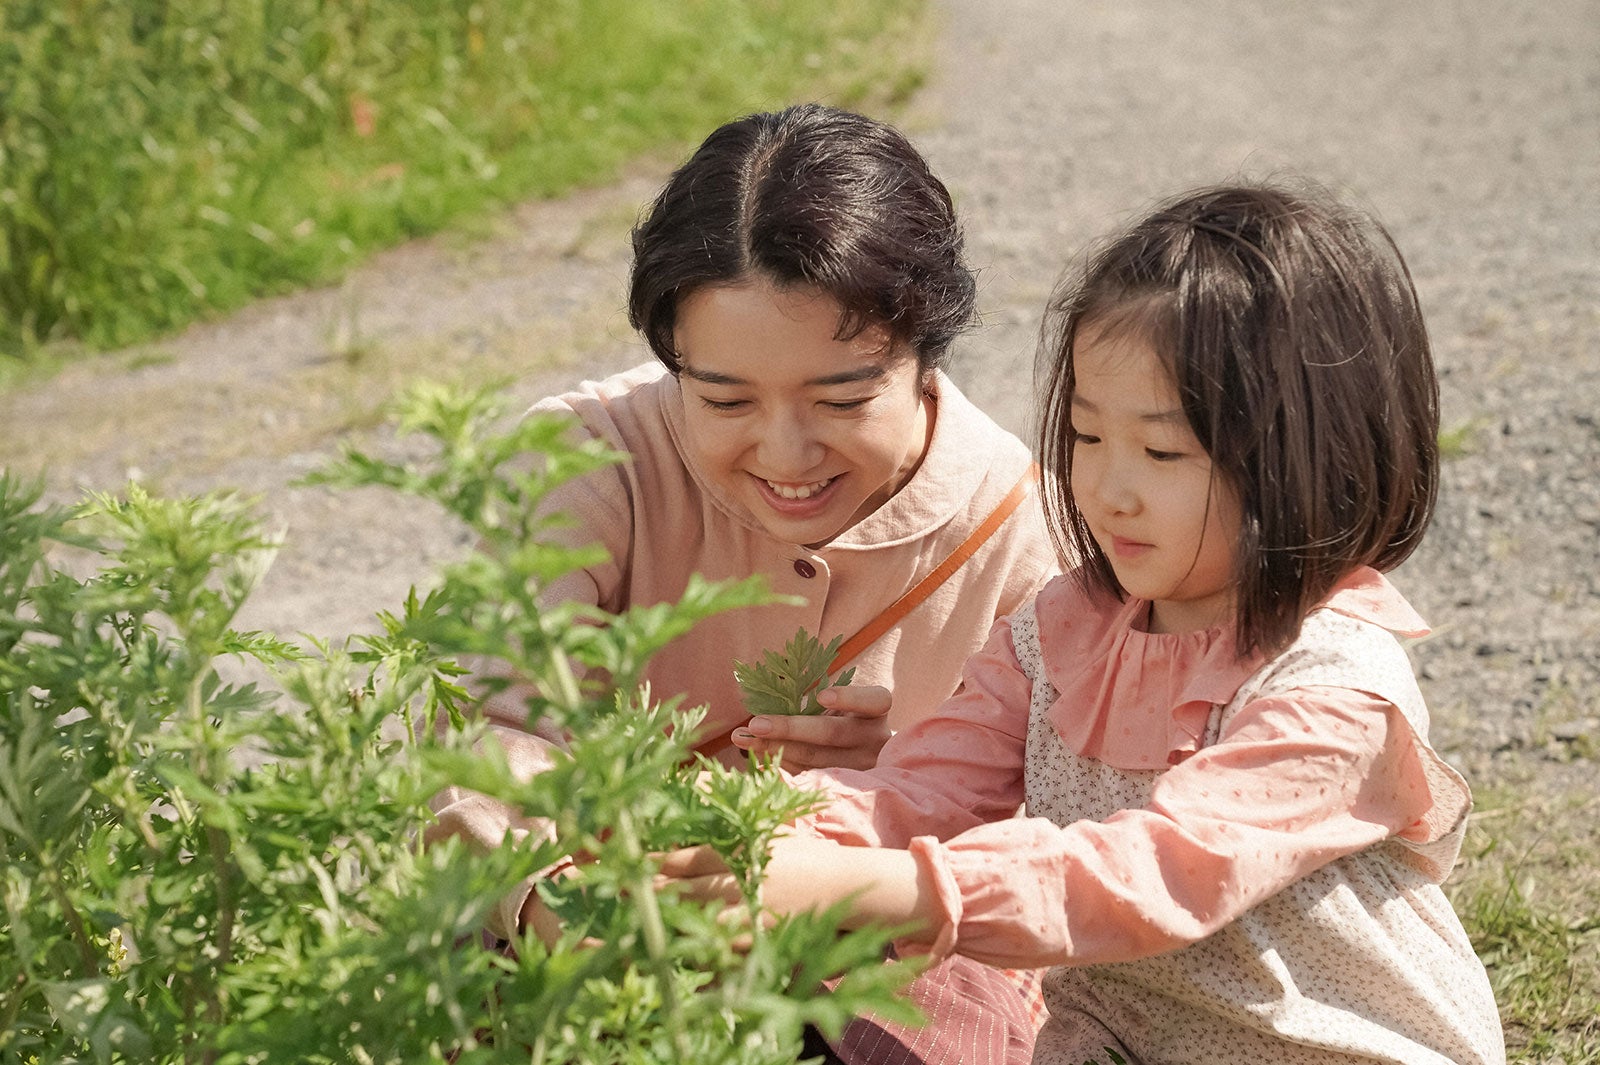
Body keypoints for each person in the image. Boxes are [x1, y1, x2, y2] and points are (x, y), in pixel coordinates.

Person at [663, 181, 1508, 1064]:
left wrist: (883, 887)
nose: (1109, 488)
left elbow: (1150, 870)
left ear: (1312, 455)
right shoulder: (1063, 630)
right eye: (1087, 435)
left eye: (1163, 450)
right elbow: (922, 788)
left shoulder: (1334, 684)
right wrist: (762, 829)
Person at [429, 103, 1059, 1064]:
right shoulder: (586, 462)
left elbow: (1069, 830)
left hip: (872, 947)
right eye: (724, 399)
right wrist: (599, 922)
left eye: (842, 398)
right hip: (592, 924)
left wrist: (900, 770)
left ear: (927, 354)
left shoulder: (1019, 525)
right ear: (669, 359)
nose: (786, 453)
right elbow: (483, 732)